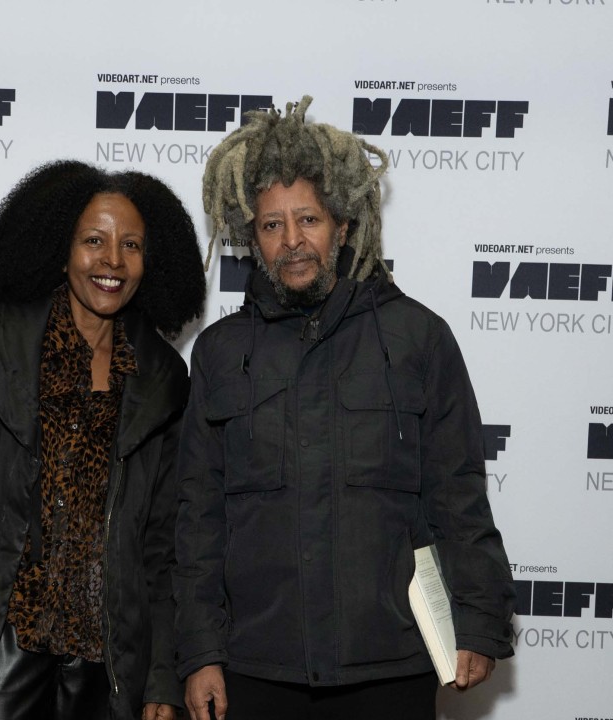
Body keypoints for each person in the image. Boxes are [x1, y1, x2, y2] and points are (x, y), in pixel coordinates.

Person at [174, 97, 515, 720]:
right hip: (257, 667)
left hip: (390, 664)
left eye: (308, 219)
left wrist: (480, 619)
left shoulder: (418, 338)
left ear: (343, 224)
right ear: (252, 238)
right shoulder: (220, 353)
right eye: (272, 225)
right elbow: (198, 519)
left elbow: (457, 493)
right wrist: (199, 652)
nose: (292, 241)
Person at [0, 160, 206, 720]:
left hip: (107, 668)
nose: (112, 261)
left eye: (131, 246)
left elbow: (161, 548)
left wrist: (161, 680)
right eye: (93, 241)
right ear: (61, 248)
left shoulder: (162, 380)